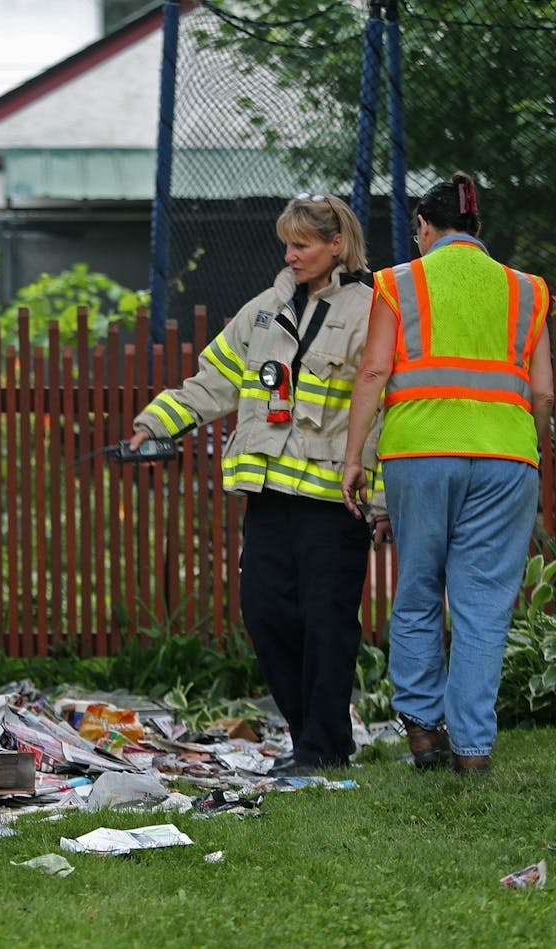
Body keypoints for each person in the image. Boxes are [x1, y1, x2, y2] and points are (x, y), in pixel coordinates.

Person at [130, 193, 390, 775]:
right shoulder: (263, 312)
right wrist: (154, 423)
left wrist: (379, 500)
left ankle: (323, 748)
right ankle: (309, 742)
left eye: (301, 244)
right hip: (269, 498)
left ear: (336, 247)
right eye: (287, 244)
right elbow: (211, 383)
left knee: (327, 624)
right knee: (265, 613)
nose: (290, 255)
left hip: (333, 503)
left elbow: (384, 415)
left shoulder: (372, 312)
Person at [340, 173, 553, 775]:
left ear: (424, 229)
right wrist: (525, 440)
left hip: (420, 456)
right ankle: (474, 753)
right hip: (508, 458)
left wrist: (355, 459)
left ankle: (423, 734)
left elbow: (375, 375)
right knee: (484, 606)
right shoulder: (527, 290)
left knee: (418, 594)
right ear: (477, 231)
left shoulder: (398, 283)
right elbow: (542, 392)